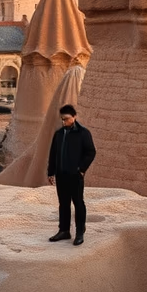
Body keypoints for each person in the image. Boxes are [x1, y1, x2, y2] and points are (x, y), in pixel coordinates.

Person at [47, 104, 95, 245]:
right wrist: (51, 172)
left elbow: (91, 152)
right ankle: (64, 231)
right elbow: (53, 154)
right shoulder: (59, 134)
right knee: (64, 203)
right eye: (62, 119)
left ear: (74, 117)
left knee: (78, 203)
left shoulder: (83, 133)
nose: (64, 122)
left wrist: (81, 169)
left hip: (75, 175)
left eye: (66, 119)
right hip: (61, 175)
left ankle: (80, 232)